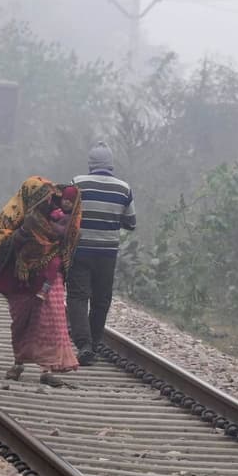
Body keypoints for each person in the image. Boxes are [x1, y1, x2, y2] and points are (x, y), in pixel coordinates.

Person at [0, 177, 83, 386]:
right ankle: (19, 362)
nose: (47, 201)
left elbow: (66, 239)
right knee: (21, 321)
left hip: (49, 277)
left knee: (50, 320)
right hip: (20, 280)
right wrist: (22, 236)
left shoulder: (56, 215)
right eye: (41, 197)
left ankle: (47, 368)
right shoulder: (12, 217)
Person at [66, 141, 136, 366]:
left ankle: (83, 344)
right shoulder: (124, 189)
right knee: (101, 299)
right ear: (111, 165)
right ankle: (93, 345)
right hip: (107, 254)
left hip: (80, 250)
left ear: (90, 165)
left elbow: (65, 213)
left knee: (78, 296)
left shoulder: (77, 183)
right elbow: (131, 223)